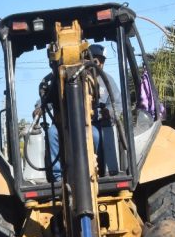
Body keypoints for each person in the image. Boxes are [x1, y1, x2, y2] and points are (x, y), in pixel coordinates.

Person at [44, 42, 121, 180]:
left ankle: (99, 171)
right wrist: (40, 107)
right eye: (95, 59)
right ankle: (58, 176)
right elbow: (49, 98)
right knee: (52, 133)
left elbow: (117, 103)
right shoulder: (69, 76)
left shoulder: (107, 80)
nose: (99, 64)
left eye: (101, 61)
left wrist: (108, 112)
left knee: (96, 136)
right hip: (67, 123)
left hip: (93, 123)